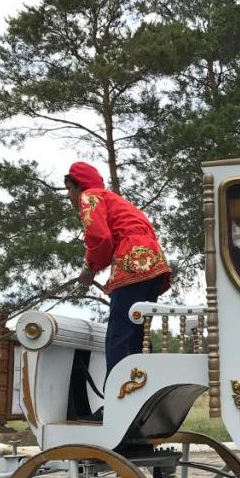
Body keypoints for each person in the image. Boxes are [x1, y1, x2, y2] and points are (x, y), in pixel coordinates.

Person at [66, 161, 171, 382]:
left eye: (69, 189)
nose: (69, 196)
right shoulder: (116, 200)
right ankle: (143, 391)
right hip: (153, 262)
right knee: (138, 332)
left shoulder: (90, 196)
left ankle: (116, 399)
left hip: (132, 260)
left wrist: (89, 268)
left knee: (118, 332)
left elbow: (100, 238)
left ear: (78, 187)